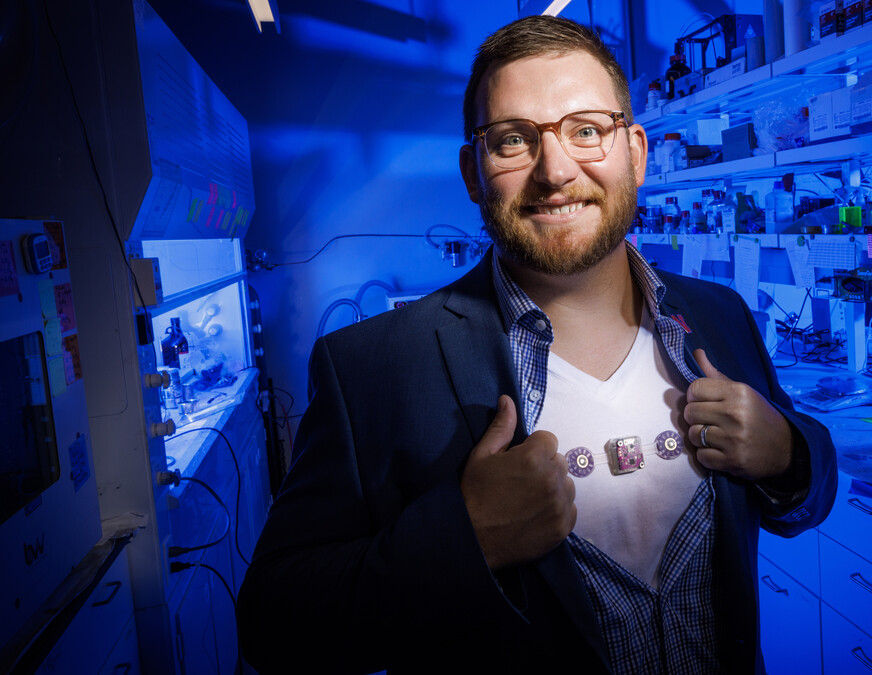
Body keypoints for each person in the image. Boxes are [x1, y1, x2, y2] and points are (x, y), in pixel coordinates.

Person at [237, 15, 836, 674]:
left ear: (634, 152)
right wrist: (464, 539)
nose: (555, 171)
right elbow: (273, 625)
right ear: (473, 171)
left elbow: (807, 491)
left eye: (587, 130)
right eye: (514, 140)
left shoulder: (719, 315)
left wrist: (788, 455)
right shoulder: (371, 369)